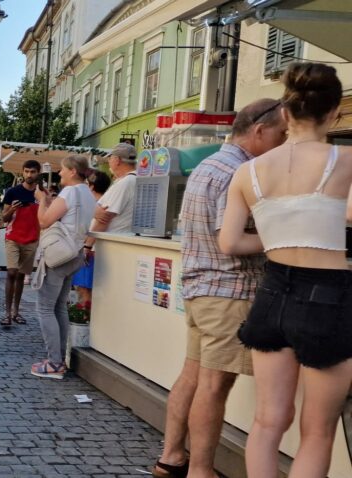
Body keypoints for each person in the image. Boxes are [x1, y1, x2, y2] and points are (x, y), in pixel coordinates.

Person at [218, 63, 351, 478]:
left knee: (267, 420)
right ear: (334, 114)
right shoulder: (346, 160)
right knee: (317, 431)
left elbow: (231, 243)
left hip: (272, 294)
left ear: (286, 115)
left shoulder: (248, 171)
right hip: (328, 299)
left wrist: (281, 237)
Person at [150, 97, 287, 478]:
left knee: (193, 376)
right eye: (280, 133)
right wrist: (281, 236)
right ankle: (200, 470)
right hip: (229, 291)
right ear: (259, 131)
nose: (283, 141)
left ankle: (172, 457)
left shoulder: (211, 165)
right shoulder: (237, 172)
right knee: (214, 385)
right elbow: (229, 239)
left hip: (202, 289)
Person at [30, 155, 97, 380]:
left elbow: (44, 222)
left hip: (59, 255)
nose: (59, 173)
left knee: (45, 308)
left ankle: (54, 362)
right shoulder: (87, 193)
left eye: (62, 169)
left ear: (72, 171)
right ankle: (59, 359)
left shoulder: (70, 192)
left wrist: (41, 200)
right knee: (59, 307)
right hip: (75, 253)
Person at [0, 160, 42, 328]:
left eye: (32, 172)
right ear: (22, 172)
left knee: (20, 275)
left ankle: (16, 311)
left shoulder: (41, 194)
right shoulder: (13, 192)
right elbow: (4, 218)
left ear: (38, 173)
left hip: (31, 239)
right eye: (26, 171)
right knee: (11, 272)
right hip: (13, 237)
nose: (29, 175)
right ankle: (7, 313)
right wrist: (12, 210)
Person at [72, 170, 112, 306]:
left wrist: (86, 247)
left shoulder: (98, 205)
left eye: (86, 184)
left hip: (89, 252)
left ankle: (83, 319)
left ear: (92, 186)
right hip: (93, 251)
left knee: (84, 290)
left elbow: (93, 228)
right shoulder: (102, 203)